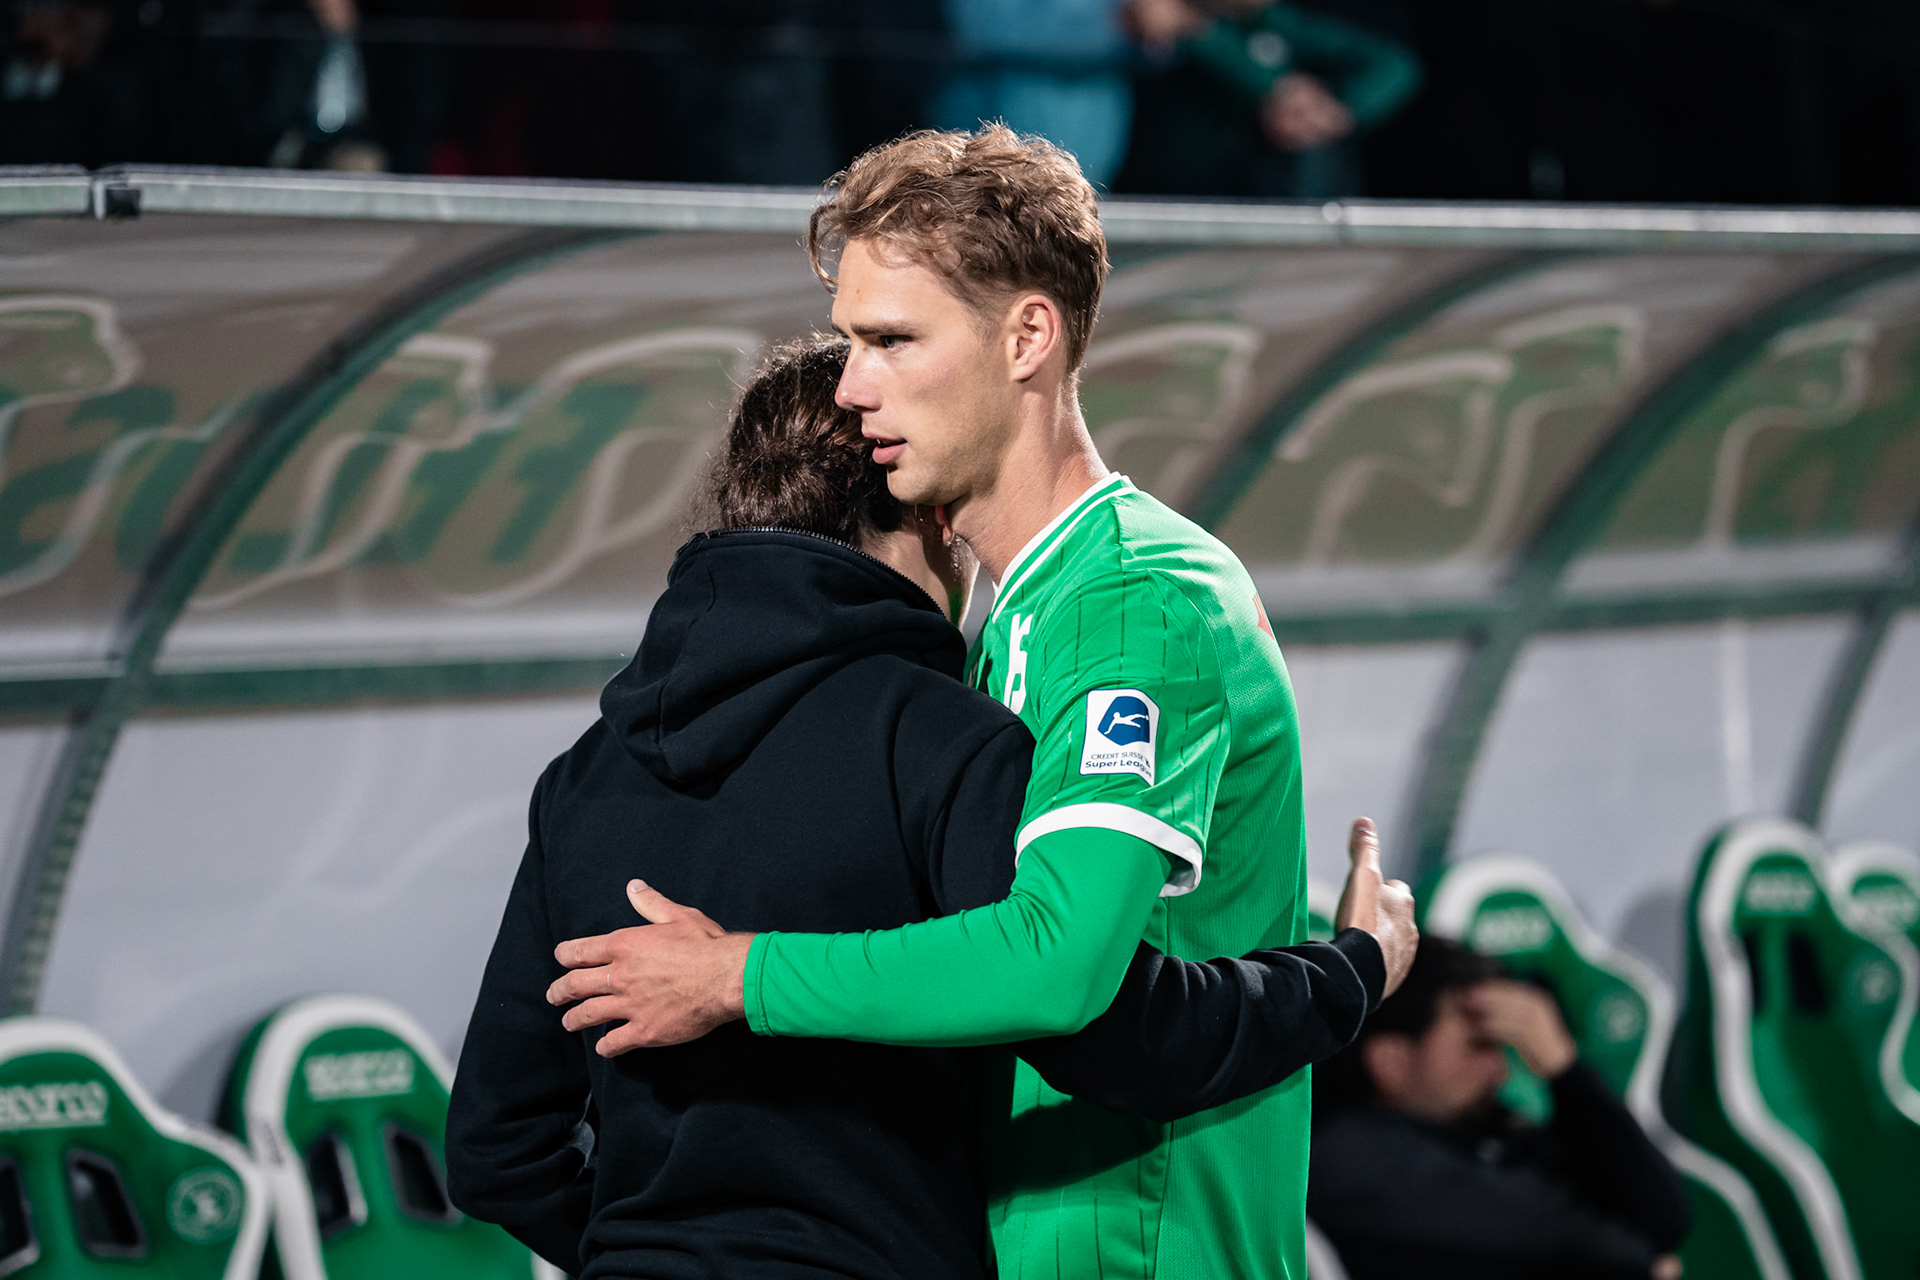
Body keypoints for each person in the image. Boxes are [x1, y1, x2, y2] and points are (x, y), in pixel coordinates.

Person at [543, 126, 1416, 1280]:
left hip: (1137, 1248)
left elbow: (1059, 962)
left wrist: (731, 975)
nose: (853, 387)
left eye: (893, 340)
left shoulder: (1136, 604)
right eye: (852, 342)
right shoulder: (1012, 610)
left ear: (1028, 335)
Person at [1309, 936, 1690, 1280]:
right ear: (1389, 1061)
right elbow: (1563, 1242)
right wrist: (1642, 1264)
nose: (1499, 1070)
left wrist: (1565, 1070)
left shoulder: (1486, 1129)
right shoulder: (1345, 1160)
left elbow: (1665, 1215)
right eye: (1479, 1045)